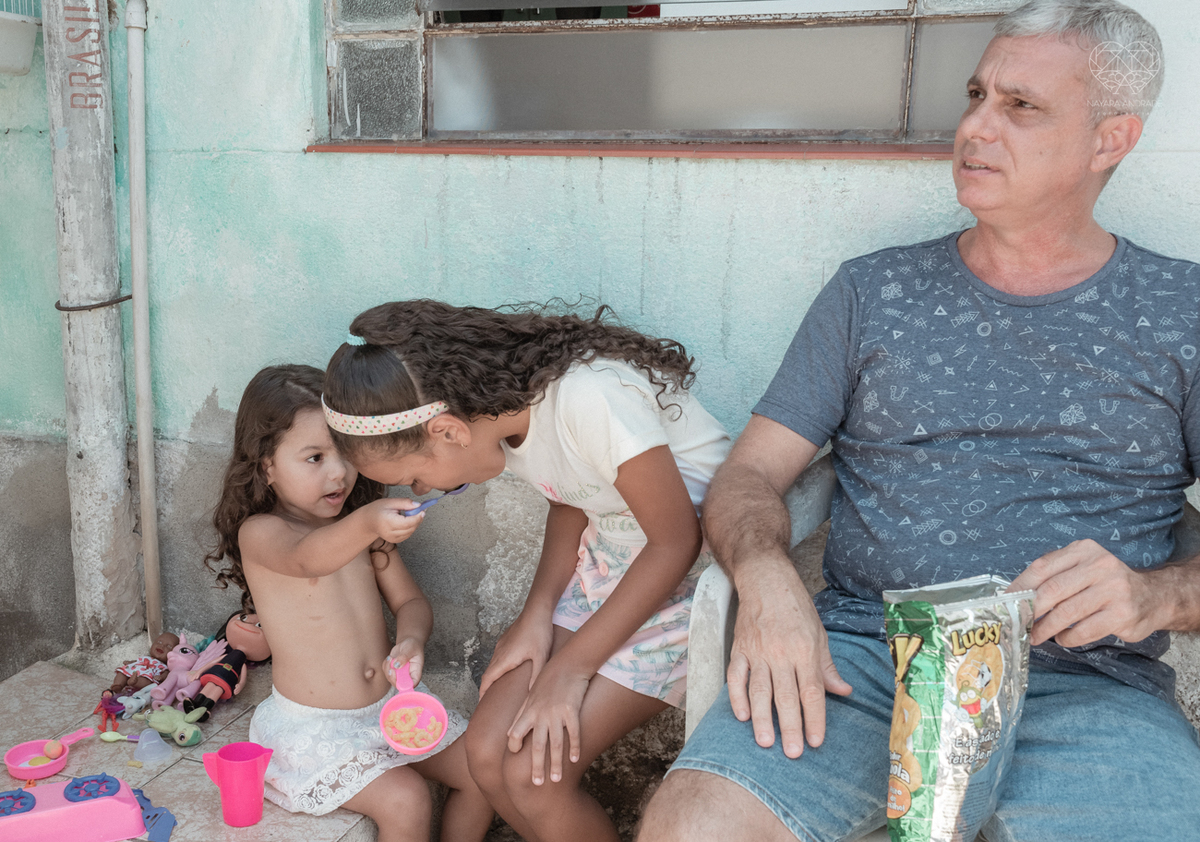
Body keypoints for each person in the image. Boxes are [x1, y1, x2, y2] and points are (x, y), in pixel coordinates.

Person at [640, 2, 1200, 840]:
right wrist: (766, 583)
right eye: (976, 95)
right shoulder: (874, 292)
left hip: (1090, 690)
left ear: (1110, 140)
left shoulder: (1181, 310)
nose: (974, 126)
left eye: (1021, 106)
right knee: (694, 828)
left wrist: (1156, 593)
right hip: (863, 665)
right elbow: (750, 477)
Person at [322, 300, 731, 842]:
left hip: (692, 580)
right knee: (488, 755)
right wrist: (535, 616)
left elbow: (678, 539)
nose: (420, 491)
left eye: (415, 474)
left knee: (534, 777)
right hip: (610, 566)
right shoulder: (500, 420)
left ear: (447, 431)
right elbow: (569, 499)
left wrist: (570, 669)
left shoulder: (589, 398)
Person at [204, 364, 493, 842]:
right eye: (314, 457)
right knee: (407, 799)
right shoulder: (263, 534)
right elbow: (308, 560)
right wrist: (368, 523)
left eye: (344, 452)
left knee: (484, 772)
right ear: (266, 467)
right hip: (315, 731)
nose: (338, 472)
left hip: (388, 711)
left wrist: (412, 641)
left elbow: (411, 602)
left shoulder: (363, 529)